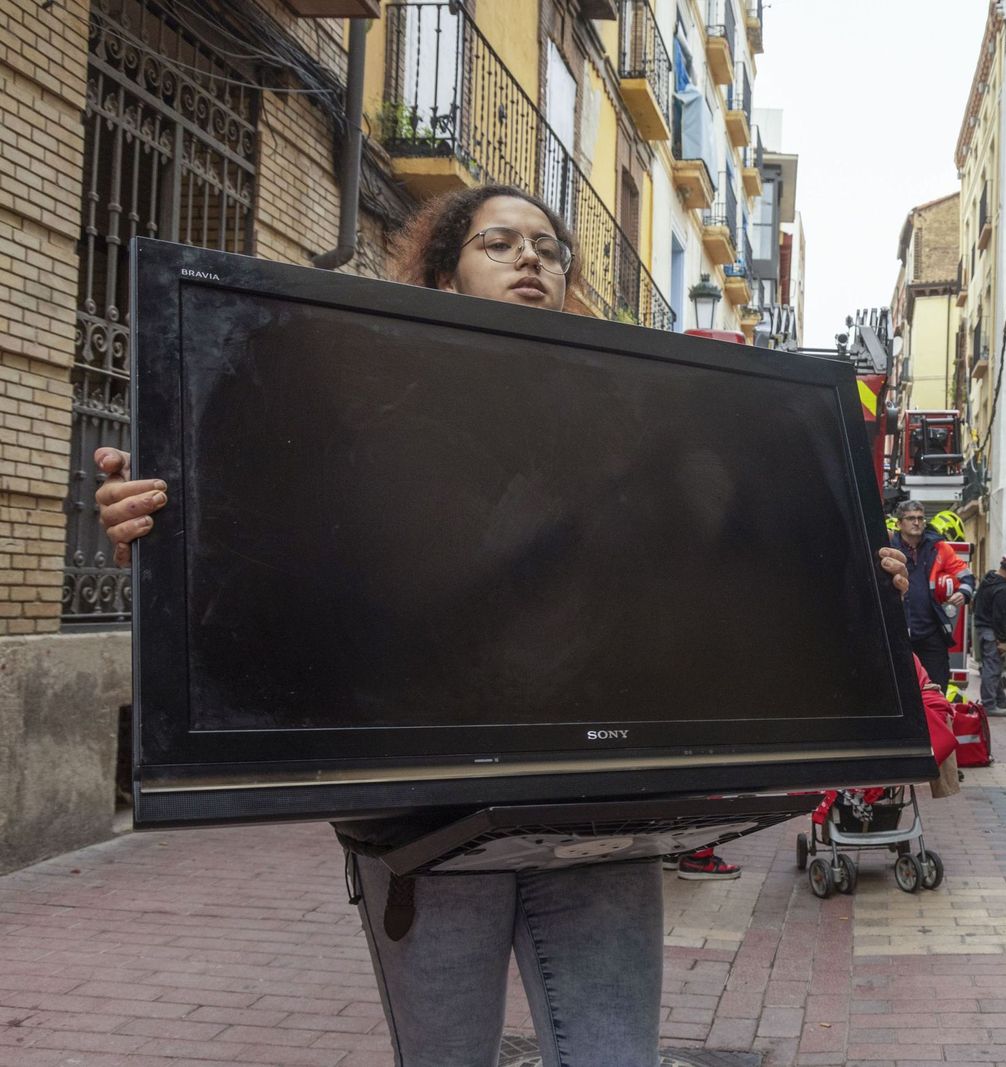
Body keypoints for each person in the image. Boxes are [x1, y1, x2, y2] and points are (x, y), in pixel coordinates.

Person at [92, 182, 913, 1067]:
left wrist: (854, 585)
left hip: (602, 818)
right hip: (425, 829)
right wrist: (171, 520)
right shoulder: (367, 424)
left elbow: (714, 580)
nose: (532, 257)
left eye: (549, 247)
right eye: (499, 242)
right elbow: (282, 559)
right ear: (443, 278)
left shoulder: (628, 420)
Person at [886, 499, 974, 691]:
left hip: (930, 633)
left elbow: (966, 576)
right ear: (900, 523)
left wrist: (964, 593)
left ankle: (934, 721)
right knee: (898, 690)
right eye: (910, 518)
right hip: (897, 630)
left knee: (937, 688)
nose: (916, 522)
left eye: (920, 518)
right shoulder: (889, 547)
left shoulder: (939, 547)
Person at [972, 551, 1006, 715]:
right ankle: (989, 705)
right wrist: (1002, 640)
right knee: (992, 669)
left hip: (982, 629)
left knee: (994, 667)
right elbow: (1000, 617)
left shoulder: (988, 580)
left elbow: (976, 604)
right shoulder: (1001, 589)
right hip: (993, 633)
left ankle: (1001, 703)